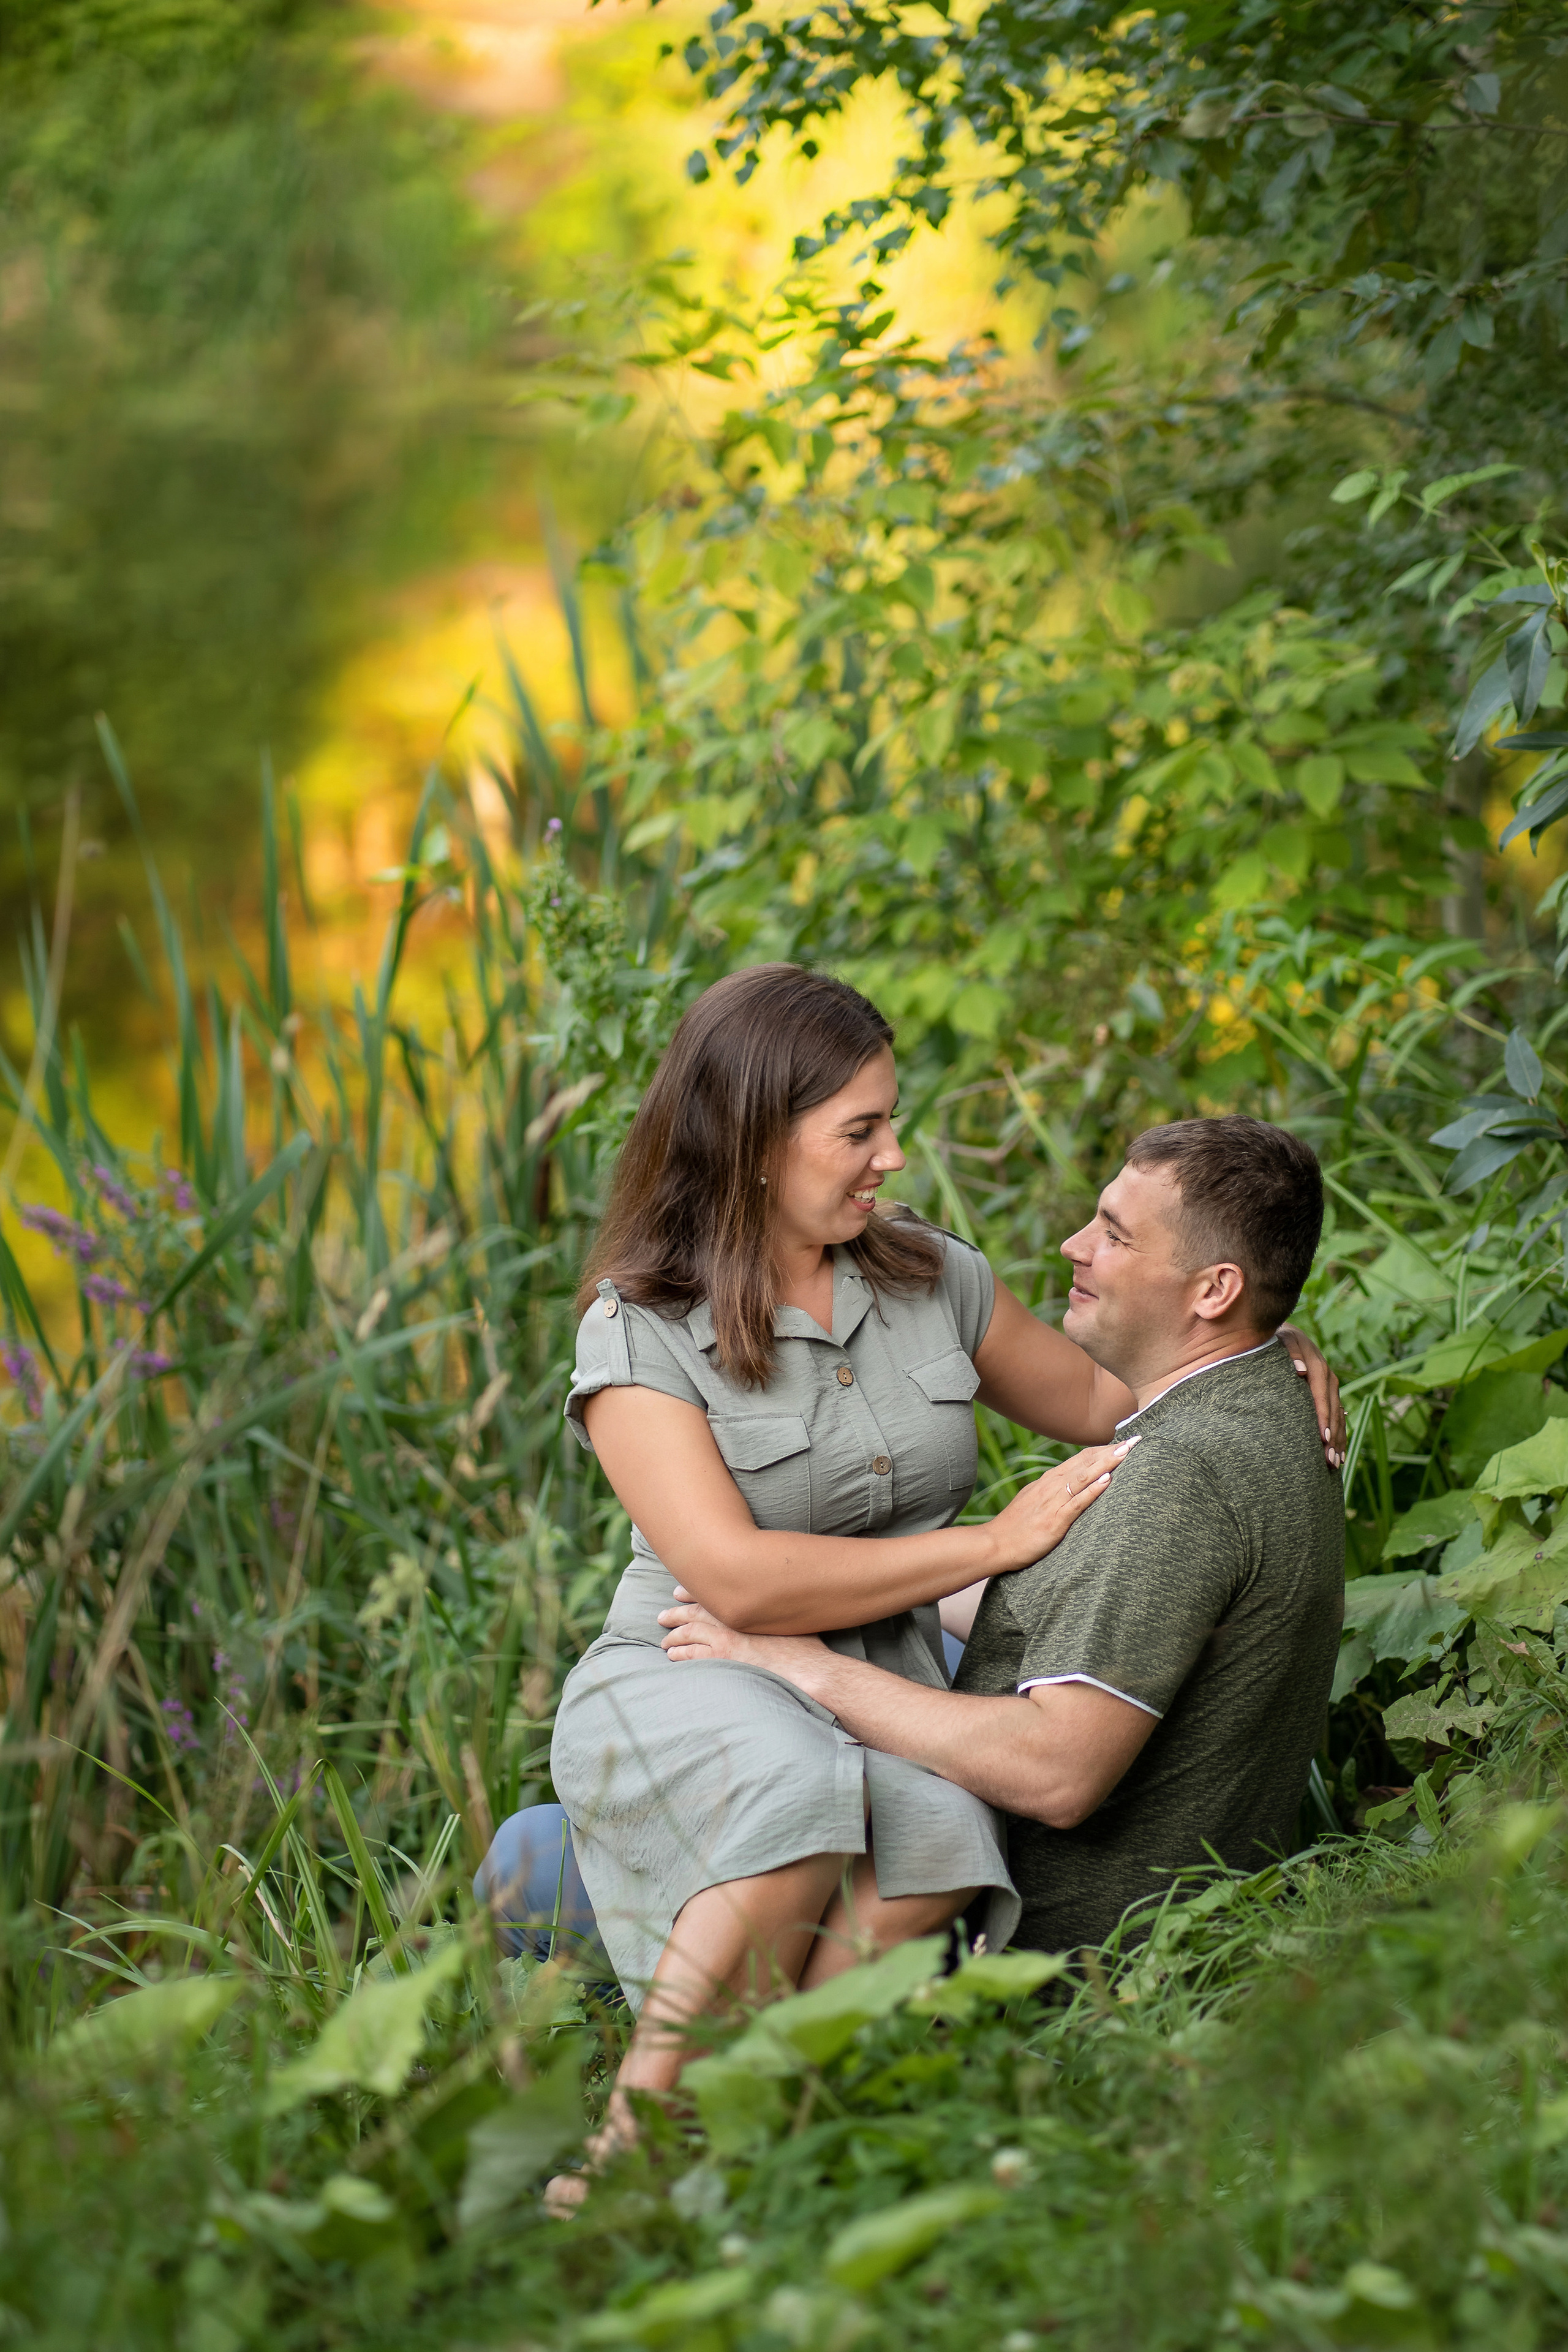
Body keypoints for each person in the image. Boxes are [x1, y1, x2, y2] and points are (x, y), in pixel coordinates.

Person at [476, 970, 1343, 2207]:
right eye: (859, 1131)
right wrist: (984, 1546)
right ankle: (636, 2152)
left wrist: (1267, 1343)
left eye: (890, 1120)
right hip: (702, 1656)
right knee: (788, 1803)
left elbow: (1124, 1405)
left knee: (937, 1850)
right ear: (756, 1142)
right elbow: (731, 1580)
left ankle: (758, 2148)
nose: (892, 1155)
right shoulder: (640, 1331)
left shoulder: (929, 1279)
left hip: (877, 1687)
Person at [661, 1114, 1347, 1957]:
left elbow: (1055, 1773)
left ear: (1215, 1291)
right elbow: (1095, 1603)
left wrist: (799, 1662)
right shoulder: (1268, 1402)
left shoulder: (1181, 1476)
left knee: (530, 1859)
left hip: (1040, 1943)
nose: (1073, 1245)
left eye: (1114, 1235)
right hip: (1133, 1884)